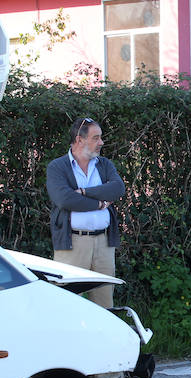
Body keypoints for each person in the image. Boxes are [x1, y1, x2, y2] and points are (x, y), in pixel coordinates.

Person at [46, 117, 125, 308]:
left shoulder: (104, 164)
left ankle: (103, 338)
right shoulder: (57, 167)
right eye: (96, 138)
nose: (101, 142)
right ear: (79, 140)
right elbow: (64, 199)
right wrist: (99, 204)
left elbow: (117, 189)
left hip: (104, 244)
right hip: (72, 244)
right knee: (67, 304)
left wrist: (84, 192)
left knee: (105, 303)